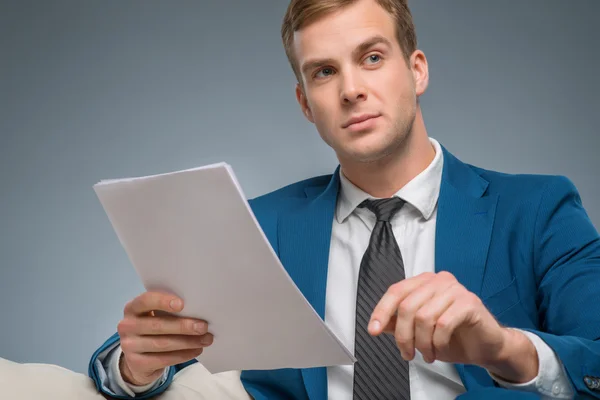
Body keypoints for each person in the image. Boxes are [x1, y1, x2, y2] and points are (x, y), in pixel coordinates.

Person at [88, 0, 600, 399]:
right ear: (305, 103)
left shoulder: (538, 209)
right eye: (324, 72)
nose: (351, 89)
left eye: (372, 58)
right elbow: (145, 357)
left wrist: (503, 348)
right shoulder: (260, 226)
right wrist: (133, 365)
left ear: (416, 70)